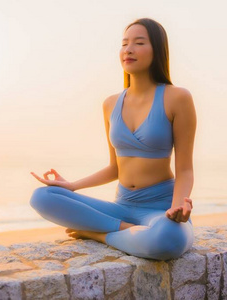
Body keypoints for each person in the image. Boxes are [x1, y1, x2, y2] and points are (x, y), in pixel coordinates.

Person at [29, 18, 196, 261]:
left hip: (160, 209)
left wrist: (178, 206)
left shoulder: (177, 98)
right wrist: (73, 186)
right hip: (121, 206)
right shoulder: (110, 104)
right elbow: (114, 168)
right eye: (124, 43)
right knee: (42, 197)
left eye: (139, 43)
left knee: (168, 239)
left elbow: (185, 169)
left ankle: (98, 234)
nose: (128, 49)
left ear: (157, 50)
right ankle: (127, 231)